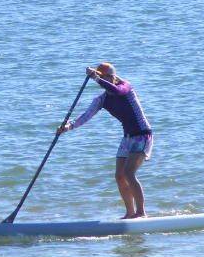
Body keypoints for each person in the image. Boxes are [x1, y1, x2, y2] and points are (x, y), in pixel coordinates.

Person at [58, 63, 153, 219]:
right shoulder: (102, 100)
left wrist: (96, 77)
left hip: (142, 135)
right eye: (103, 77)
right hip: (127, 137)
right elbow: (86, 115)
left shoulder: (126, 87)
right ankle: (130, 213)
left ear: (114, 77)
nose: (107, 80)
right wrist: (68, 127)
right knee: (119, 176)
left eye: (109, 77)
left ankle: (141, 213)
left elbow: (116, 90)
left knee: (129, 173)